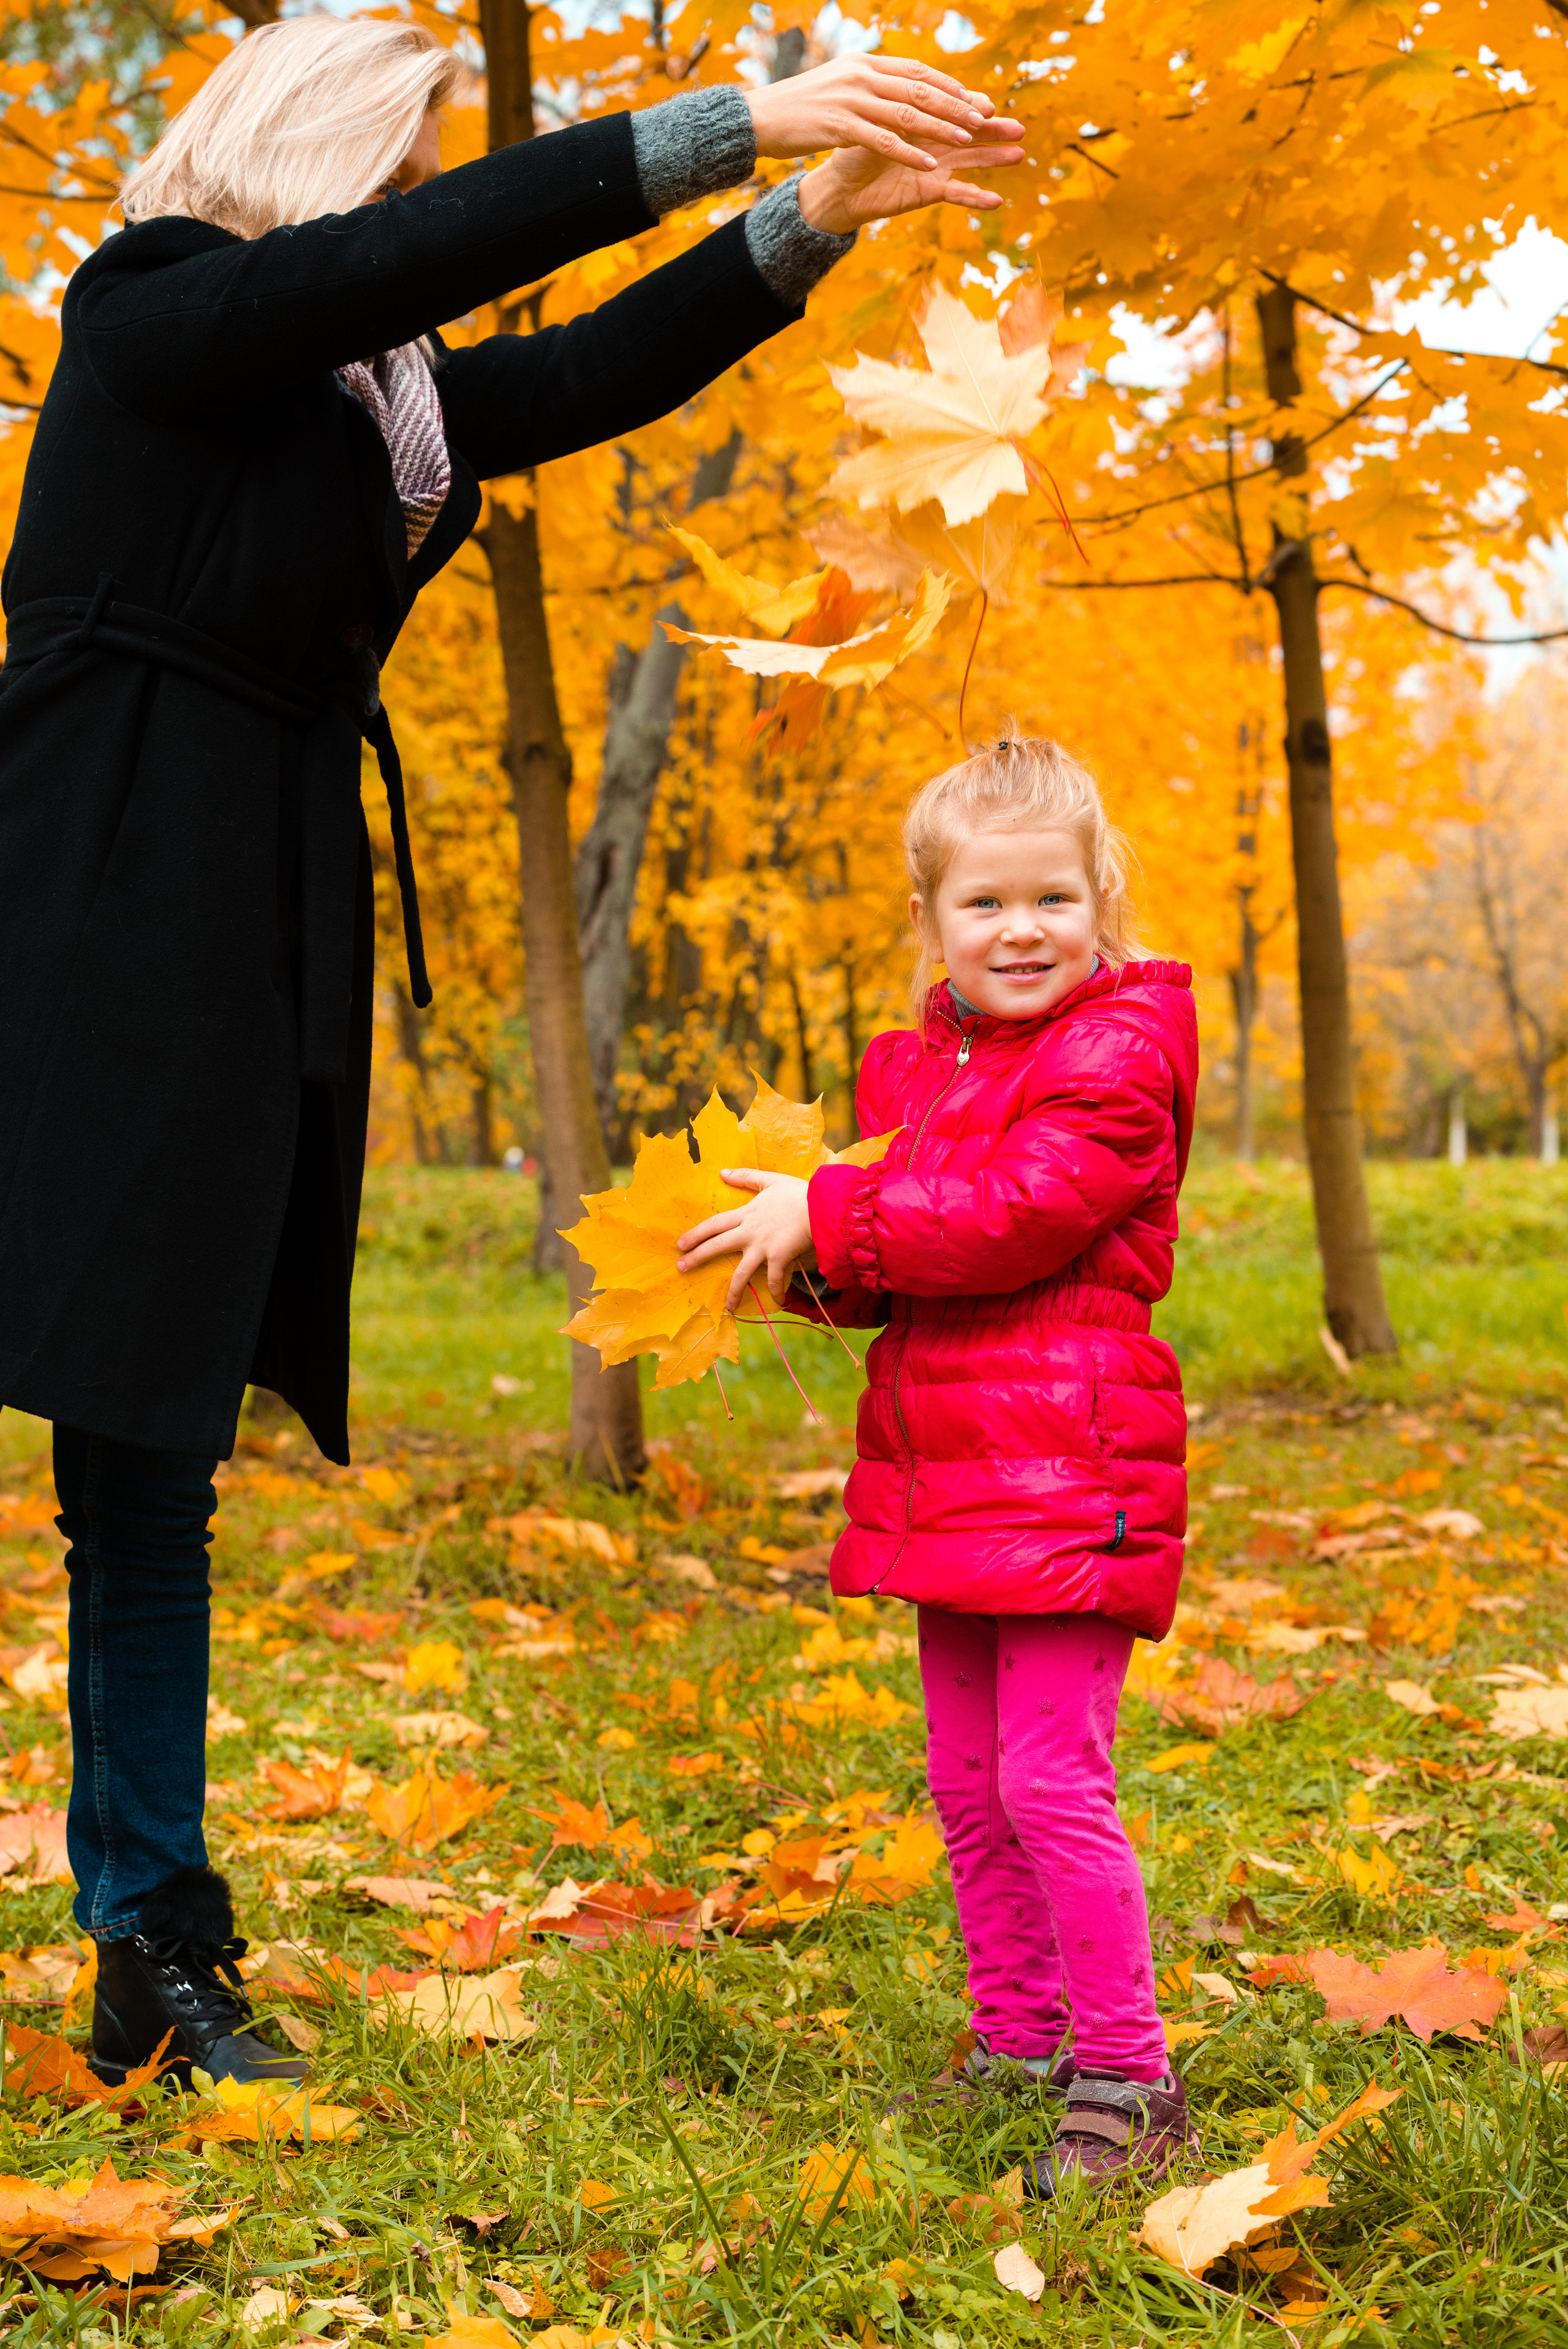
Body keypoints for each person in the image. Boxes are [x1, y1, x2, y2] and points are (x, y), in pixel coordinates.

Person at [0, 12, 1023, 2087]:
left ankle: (153, 1932)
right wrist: (724, 125)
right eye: (391, 162)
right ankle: (151, 1919)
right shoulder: (156, 305)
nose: (402, 201)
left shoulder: (366, 401)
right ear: (312, 151)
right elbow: (376, 273)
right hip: (77, 893)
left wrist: (806, 220)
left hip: (240, 922)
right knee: (116, 1415)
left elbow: (570, 375)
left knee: (147, 1448)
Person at [676, 735, 1200, 2193]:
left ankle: (1126, 2072)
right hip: (944, 1453)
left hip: (1065, 1452)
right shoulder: (909, 1069)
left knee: (1048, 1779)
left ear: (1101, 902)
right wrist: (803, 1265)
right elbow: (916, 1256)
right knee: (966, 1781)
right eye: (983, 904)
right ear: (928, 920)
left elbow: (1017, 1214)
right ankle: (1018, 2038)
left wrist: (836, 1213)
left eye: (1050, 898)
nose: (1019, 929)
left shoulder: (1118, 1056)